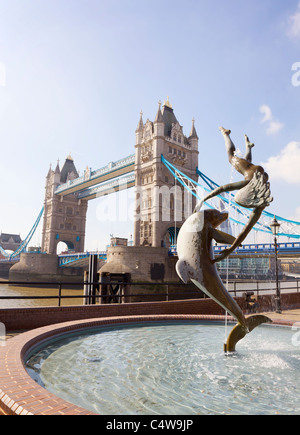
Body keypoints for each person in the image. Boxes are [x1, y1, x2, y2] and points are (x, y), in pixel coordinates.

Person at [195, 127, 273, 262]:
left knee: (238, 160)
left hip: (257, 172)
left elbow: (224, 188)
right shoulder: (256, 196)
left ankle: (237, 140)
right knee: (234, 159)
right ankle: (229, 136)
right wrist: (204, 199)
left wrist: (204, 198)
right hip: (256, 173)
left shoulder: (254, 188)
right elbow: (245, 230)